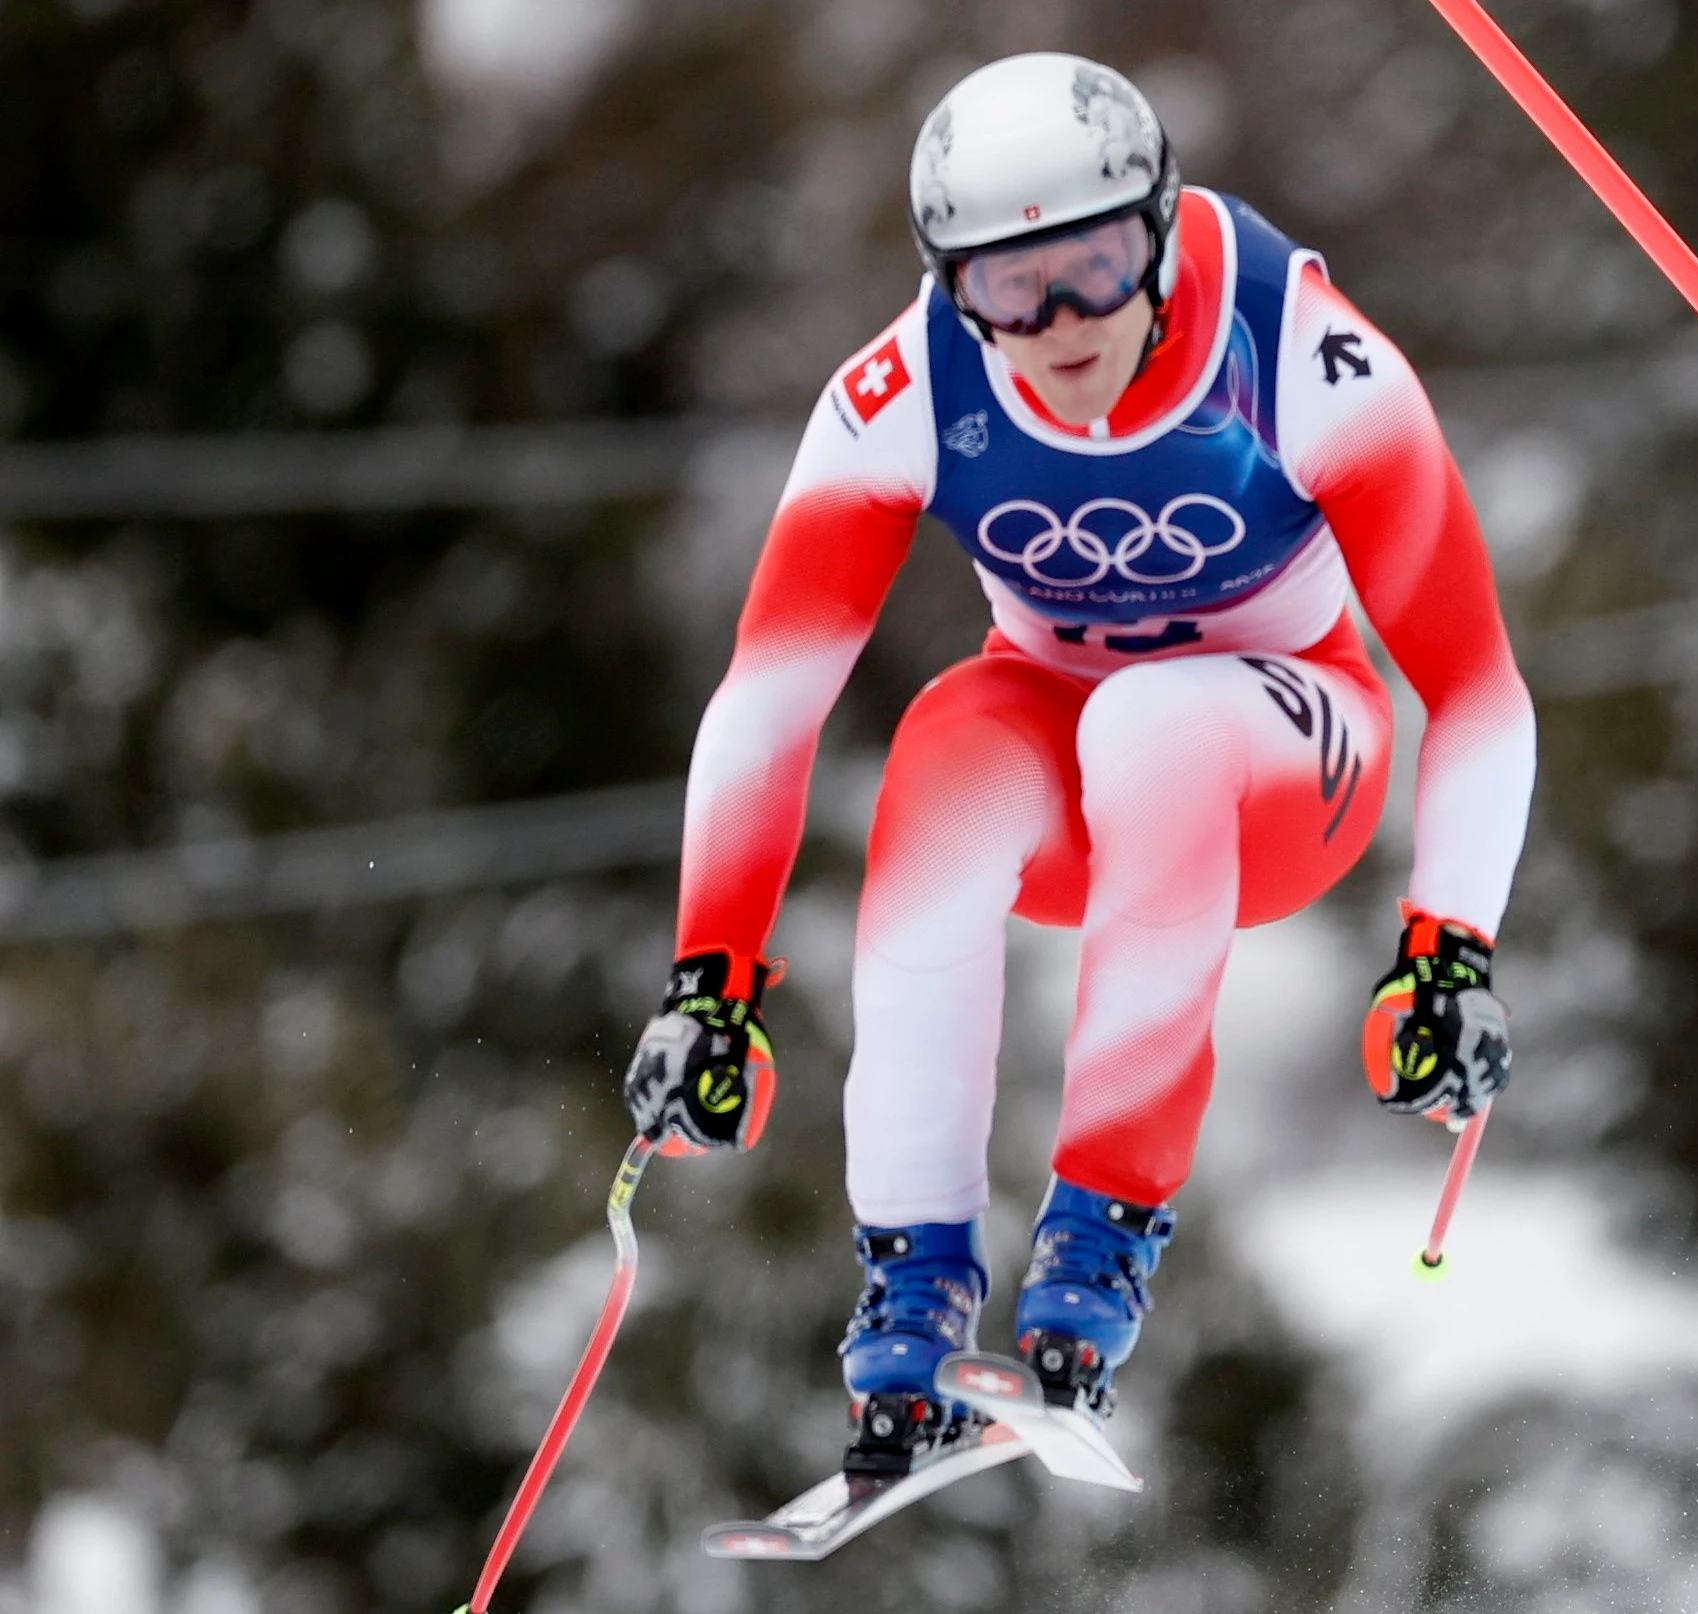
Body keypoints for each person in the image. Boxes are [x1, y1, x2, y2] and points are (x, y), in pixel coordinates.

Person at [617, 52, 1535, 1468]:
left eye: (1095, 269)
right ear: (950, 283)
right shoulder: (908, 388)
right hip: (1066, 756)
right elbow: (770, 698)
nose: (1055, 324)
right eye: (1005, 287)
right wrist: (708, 981)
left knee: (1152, 721)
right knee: (938, 746)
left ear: (1158, 233)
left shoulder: (1294, 347)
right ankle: (911, 1294)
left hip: (1291, 753)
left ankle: (1099, 1244)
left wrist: (1448, 950)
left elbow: (1476, 689)